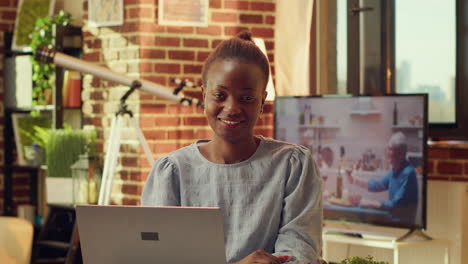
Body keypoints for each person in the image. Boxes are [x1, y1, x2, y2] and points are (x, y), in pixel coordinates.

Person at [141, 32, 323, 264]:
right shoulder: (172, 171)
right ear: (204, 95)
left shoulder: (292, 165)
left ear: (262, 100)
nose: (232, 108)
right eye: (220, 95)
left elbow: (300, 251)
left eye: (247, 98)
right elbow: (157, 258)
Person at [347, 132, 418, 223]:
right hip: (392, 219)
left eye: (392, 150)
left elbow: (395, 205)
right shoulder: (395, 170)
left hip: (402, 224)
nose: (388, 153)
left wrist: (367, 202)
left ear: (401, 153)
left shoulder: (408, 173)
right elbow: (378, 185)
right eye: (389, 149)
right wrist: (354, 180)